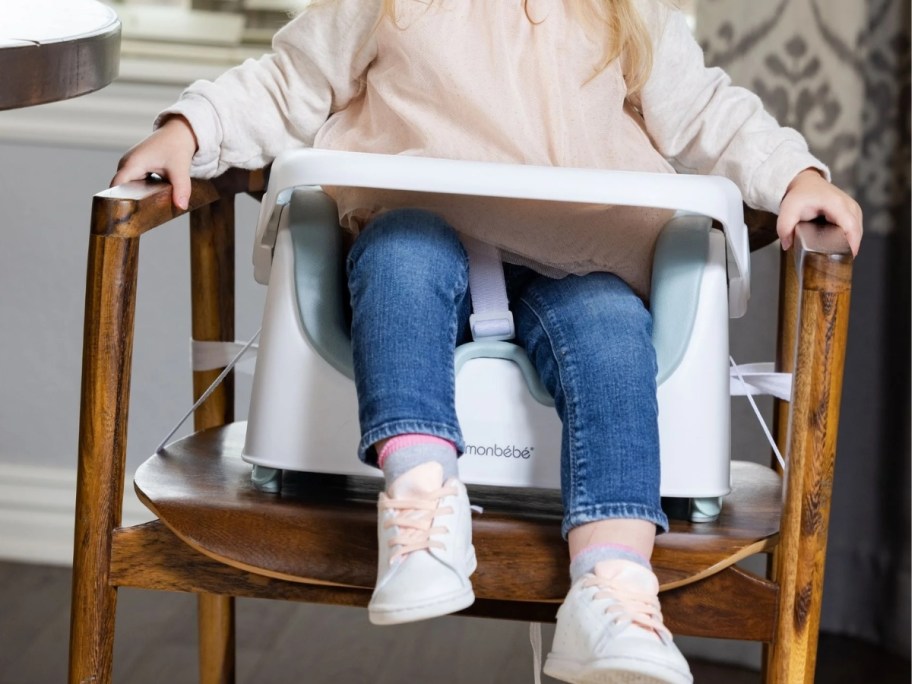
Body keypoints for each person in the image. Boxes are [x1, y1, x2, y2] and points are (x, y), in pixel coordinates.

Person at [112, 1, 863, 682]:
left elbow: (711, 115)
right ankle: (421, 510)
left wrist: (794, 175)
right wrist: (189, 132)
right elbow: (284, 85)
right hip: (419, 237)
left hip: (581, 258)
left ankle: (611, 587)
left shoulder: (624, 14)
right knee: (402, 251)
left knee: (610, 327)